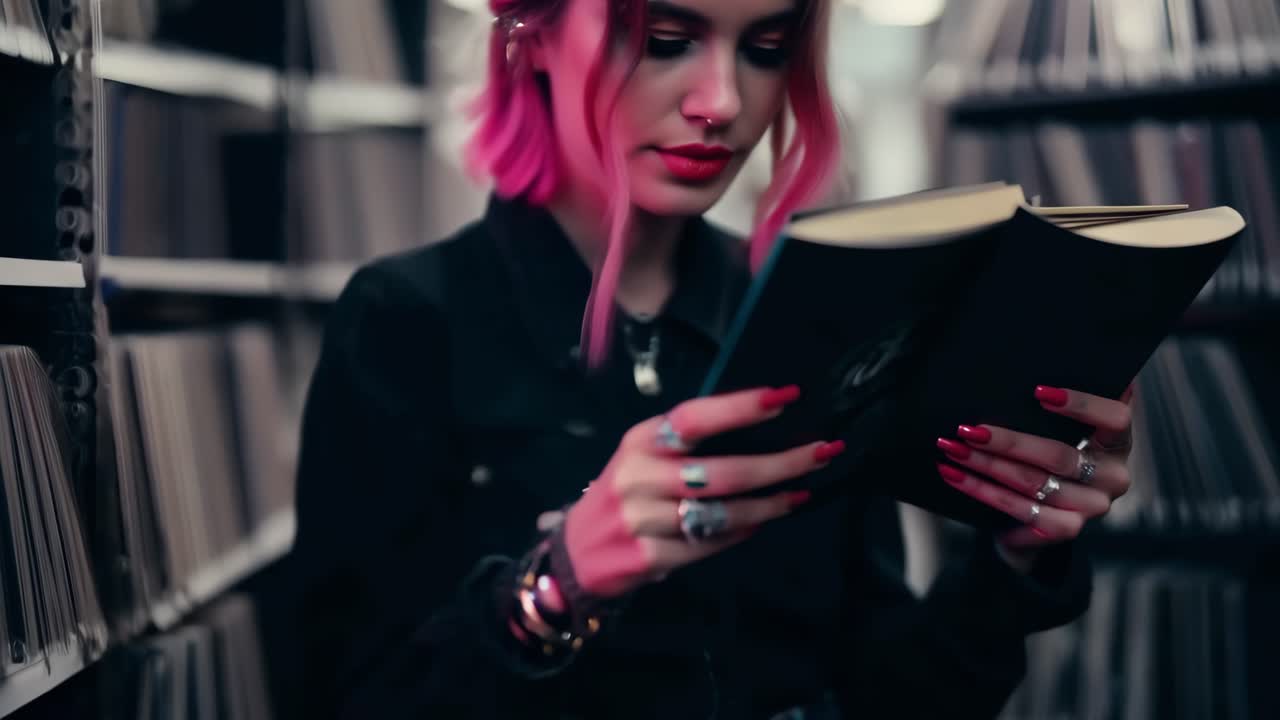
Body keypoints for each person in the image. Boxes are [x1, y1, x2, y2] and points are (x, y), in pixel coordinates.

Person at [290, 0, 1136, 718]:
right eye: (665, 41)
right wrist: (558, 584)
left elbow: (886, 691)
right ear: (531, 35)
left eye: (766, 50)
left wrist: (1011, 558)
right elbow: (344, 695)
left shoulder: (815, 312)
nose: (722, 101)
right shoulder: (404, 323)